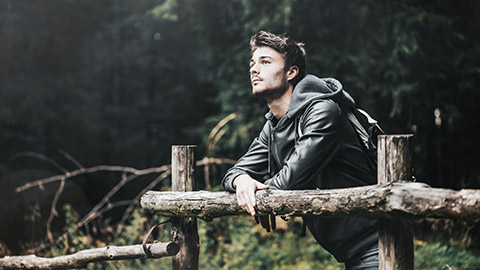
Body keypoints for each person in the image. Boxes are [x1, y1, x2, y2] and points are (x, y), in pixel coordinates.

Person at [222, 31, 379, 269]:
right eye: (252, 63)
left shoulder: (323, 112)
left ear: (291, 72)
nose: (254, 69)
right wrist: (242, 181)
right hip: (351, 255)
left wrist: (260, 197)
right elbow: (234, 172)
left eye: (265, 62)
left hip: (378, 246)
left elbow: (290, 179)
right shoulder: (273, 125)